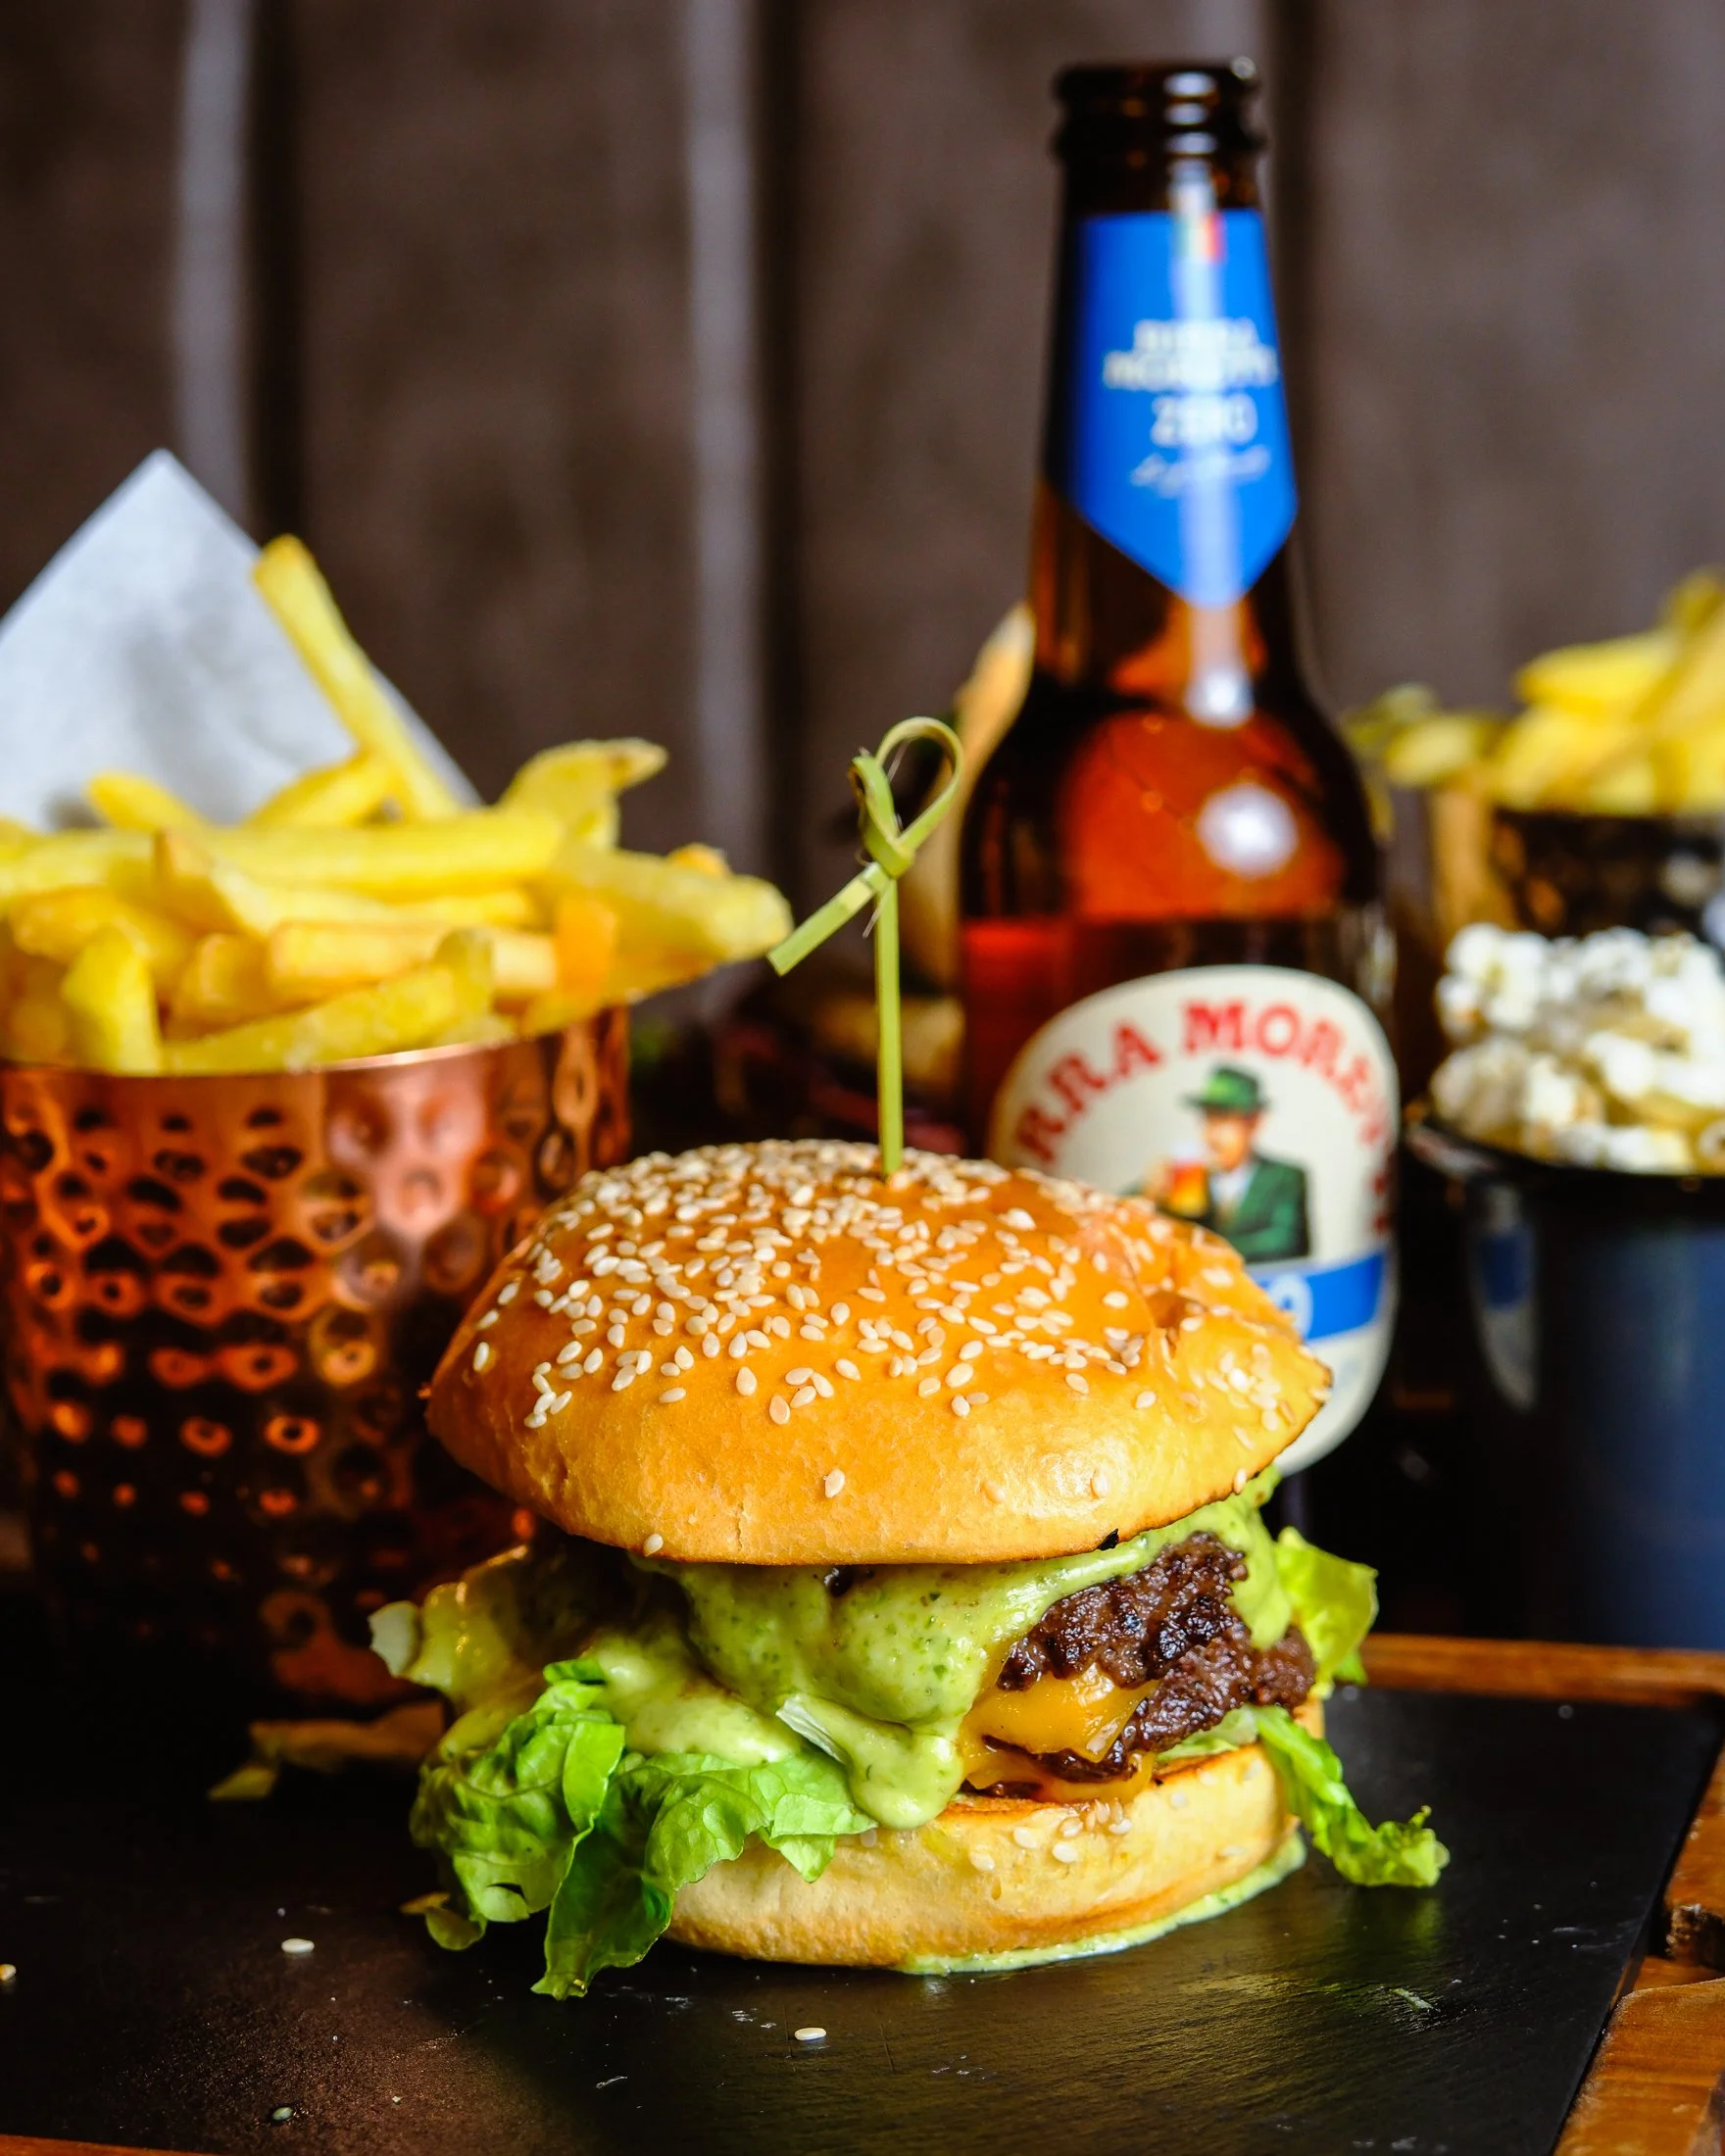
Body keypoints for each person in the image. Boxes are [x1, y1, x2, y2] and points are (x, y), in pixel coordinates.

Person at [1155, 1066, 1310, 1264]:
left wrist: (1204, 1249)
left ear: (1253, 1122)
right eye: (1208, 1120)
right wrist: (1151, 1195)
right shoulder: (1191, 1177)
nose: (1212, 1135)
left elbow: (1286, 1242)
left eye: (1224, 1120)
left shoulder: (1285, 1177)